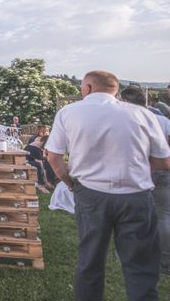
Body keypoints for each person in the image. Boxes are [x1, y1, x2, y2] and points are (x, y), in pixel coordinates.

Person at [47, 70, 170, 300]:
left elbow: (53, 157)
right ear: (115, 89)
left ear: (88, 87)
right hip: (136, 194)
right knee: (141, 266)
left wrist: (70, 183)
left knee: (90, 261)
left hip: (91, 193)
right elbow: (164, 161)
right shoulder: (142, 114)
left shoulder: (68, 112)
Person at [120, 85, 170, 275]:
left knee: (134, 215)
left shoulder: (128, 120)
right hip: (163, 171)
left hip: (138, 171)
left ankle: (137, 255)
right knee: (165, 215)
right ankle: (165, 261)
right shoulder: (163, 120)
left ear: (126, 101)